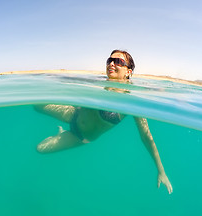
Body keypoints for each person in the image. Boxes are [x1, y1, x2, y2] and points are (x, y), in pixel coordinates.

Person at [34, 50, 173, 194]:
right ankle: (61, 131)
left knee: (41, 148)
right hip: (73, 114)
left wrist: (161, 171)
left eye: (118, 61)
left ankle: (62, 133)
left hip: (80, 136)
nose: (112, 64)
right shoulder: (98, 82)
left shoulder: (132, 101)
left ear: (128, 71)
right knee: (37, 105)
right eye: (109, 60)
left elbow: (146, 137)